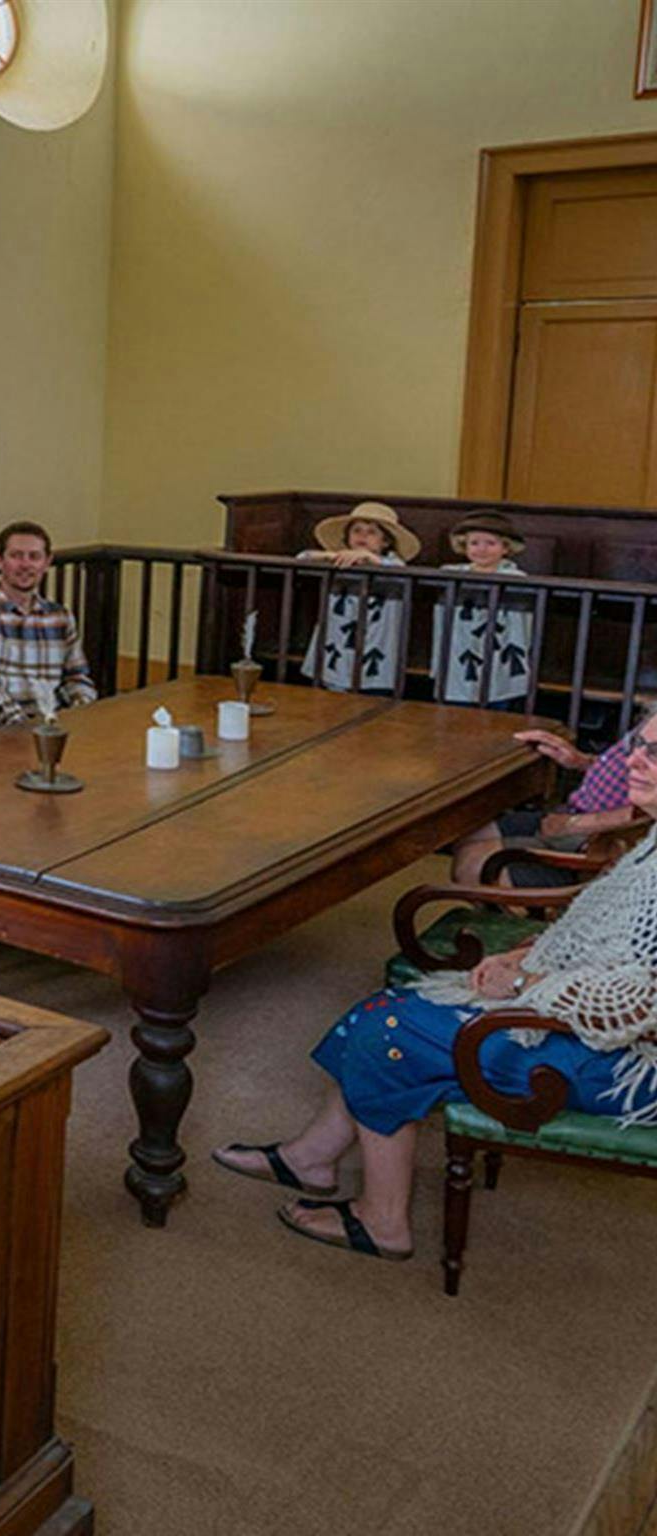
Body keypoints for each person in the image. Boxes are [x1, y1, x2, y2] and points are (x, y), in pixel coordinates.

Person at [213, 708, 657, 1263]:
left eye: (653, 753)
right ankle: (311, 1157)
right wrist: (529, 954)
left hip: (624, 1065)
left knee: (387, 1029)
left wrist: (526, 979)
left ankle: (383, 1222)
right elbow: (609, 939)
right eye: (637, 744)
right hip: (580, 1022)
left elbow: (638, 1002)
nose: (633, 759)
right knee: (386, 1006)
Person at [448, 725, 639, 886]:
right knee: (466, 834)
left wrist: (575, 824)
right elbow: (630, 767)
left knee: (472, 864)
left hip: (600, 842)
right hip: (575, 813)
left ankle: (511, 922)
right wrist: (584, 761)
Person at [0, 520, 97, 727]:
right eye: (16, 555)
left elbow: (76, 677)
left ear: (47, 563)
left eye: (34, 557)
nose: (25, 564)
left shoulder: (60, 617)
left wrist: (80, 711)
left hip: (51, 724)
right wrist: (21, 725)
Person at [295, 501, 418, 694]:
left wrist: (370, 559)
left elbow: (400, 571)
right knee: (333, 684)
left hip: (376, 638)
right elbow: (301, 558)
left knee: (372, 688)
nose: (363, 536)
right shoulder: (339, 561)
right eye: (357, 531)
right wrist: (329, 556)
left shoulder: (393, 563)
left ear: (385, 541)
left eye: (371, 532)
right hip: (337, 637)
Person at [432, 511, 536, 709]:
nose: (482, 549)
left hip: (497, 651)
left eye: (490, 543)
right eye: (474, 543)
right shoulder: (452, 573)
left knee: (496, 696)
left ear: (505, 547)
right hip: (459, 648)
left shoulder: (515, 577)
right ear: (464, 546)